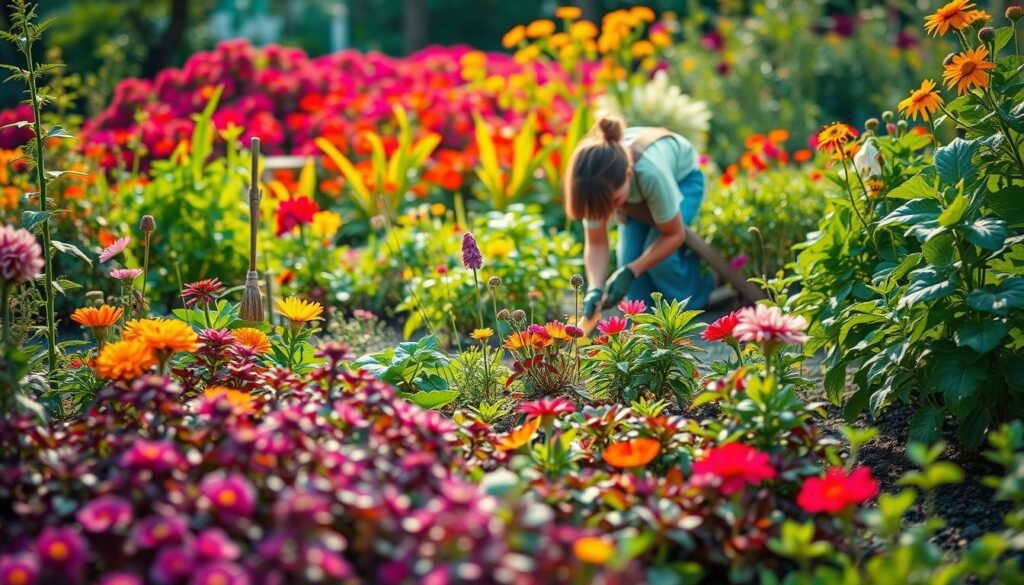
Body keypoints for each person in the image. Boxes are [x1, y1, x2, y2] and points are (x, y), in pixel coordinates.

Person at [565, 114, 714, 319]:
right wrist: (595, 288)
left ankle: (697, 295)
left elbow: (673, 234)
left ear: (627, 175)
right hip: (635, 196)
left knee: (661, 261)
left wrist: (632, 270)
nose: (609, 212)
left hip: (683, 180)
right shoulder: (595, 187)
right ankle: (647, 321)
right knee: (628, 260)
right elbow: (597, 242)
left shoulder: (650, 173)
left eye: (614, 202)